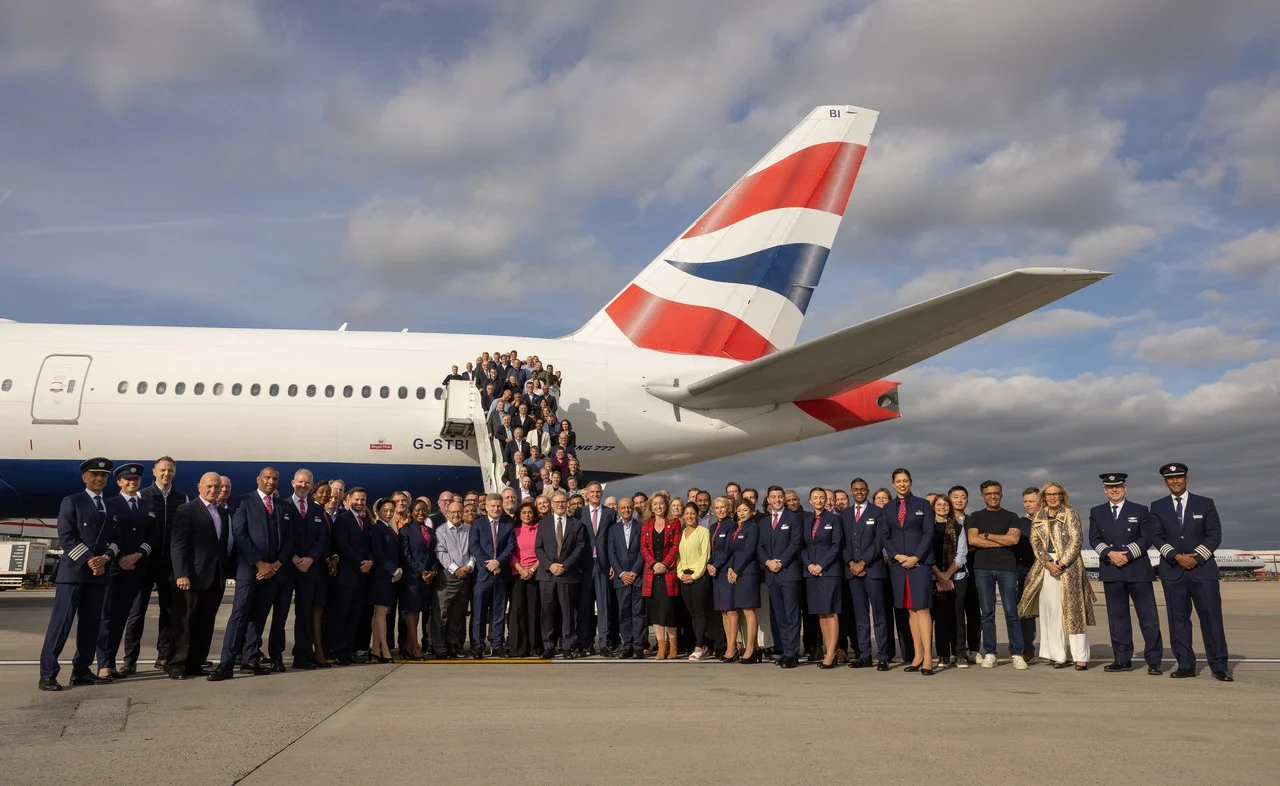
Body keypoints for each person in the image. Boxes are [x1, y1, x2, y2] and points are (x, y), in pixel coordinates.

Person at [39, 458, 119, 691]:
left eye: (103, 476)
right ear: (84, 477)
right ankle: (47, 674)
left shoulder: (112, 506)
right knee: (61, 625)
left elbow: (117, 540)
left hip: (98, 574)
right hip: (73, 572)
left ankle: (82, 670)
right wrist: (90, 560)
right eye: (94, 475)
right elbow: (66, 536)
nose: (99, 479)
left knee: (91, 625)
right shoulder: (72, 502)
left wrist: (105, 558)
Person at [1150, 463, 1231, 681]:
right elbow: (1157, 537)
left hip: (1203, 571)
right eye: (1170, 479)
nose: (1175, 481)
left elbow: (1214, 535)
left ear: (1187, 479)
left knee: (1212, 619)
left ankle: (1219, 666)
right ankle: (1185, 664)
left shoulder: (1205, 504)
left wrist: (1196, 557)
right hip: (1173, 571)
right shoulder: (1157, 506)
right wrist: (1176, 556)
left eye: (1179, 477)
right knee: (1178, 620)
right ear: (1165, 482)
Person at [212, 466, 291, 681]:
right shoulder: (243, 502)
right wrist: (259, 563)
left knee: (259, 617)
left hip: (272, 573)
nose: (271, 481)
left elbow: (288, 539)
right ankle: (226, 663)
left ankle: (250, 659)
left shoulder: (283, 506)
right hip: (249, 571)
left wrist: (276, 564)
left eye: (275, 478)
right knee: (239, 616)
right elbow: (240, 534)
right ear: (258, 479)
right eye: (267, 477)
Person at [1088, 472, 1163, 675]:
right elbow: (1094, 539)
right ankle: (1122, 659)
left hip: (1137, 570)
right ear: (1105, 490)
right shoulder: (1097, 512)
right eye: (1110, 487)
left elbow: (1146, 538)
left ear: (1125, 488)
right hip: (1112, 570)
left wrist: (1128, 555)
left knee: (1148, 618)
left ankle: (1154, 660)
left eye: (1118, 486)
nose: (1114, 490)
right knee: (1118, 619)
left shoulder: (1140, 510)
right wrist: (1110, 554)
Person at [1018, 481, 1095, 670]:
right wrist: (1048, 563)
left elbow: (1076, 541)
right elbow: (1035, 542)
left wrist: (1060, 563)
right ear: (1043, 497)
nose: (1052, 497)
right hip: (1046, 567)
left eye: (1056, 494)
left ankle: (1080, 657)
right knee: (1051, 612)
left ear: (1062, 496)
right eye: (1049, 494)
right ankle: (1057, 655)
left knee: (1074, 613)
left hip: (1069, 567)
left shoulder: (1071, 514)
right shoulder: (1039, 517)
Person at [124, 455, 188, 676]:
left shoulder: (182, 498)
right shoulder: (143, 495)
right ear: (154, 472)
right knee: (136, 612)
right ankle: (130, 659)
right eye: (162, 470)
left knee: (169, 612)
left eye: (170, 470)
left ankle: (164, 656)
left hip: (169, 564)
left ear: (174, 473)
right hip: (144, 562)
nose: (166, 474)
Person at [95, 462, 156, 680]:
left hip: (136, 567)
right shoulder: (111, 504)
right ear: (119, 482)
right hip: (114, 568)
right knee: (107, 617)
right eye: (128, 480)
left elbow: (152, 536)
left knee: (122, 617)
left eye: (136, 480)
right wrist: (120, 558)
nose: (132, 483)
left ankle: (111, 661)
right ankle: (104, 663)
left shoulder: (147, 506)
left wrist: (138, 555)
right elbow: (108, 536)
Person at [169, 472, 229, 681]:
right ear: (199, 487)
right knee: (184, 622)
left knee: (205, 622)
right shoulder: (187, 510)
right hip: (191, 577)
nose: (213, 490)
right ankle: (177, 663)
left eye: (217, 487)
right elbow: (178, 544)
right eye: (209, 486)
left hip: (214, 578)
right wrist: (181, 574)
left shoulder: (221, 513)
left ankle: (195, 663)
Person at [966, 481, 1026, 669]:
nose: (993, 496)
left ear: (1001, 494)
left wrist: (986, 536)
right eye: (989, 493)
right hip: (983, 568)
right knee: (987, 612)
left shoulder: (1011, 516)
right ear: (982, 495)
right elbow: (973, 540)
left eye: (996, 493)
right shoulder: (976, 516)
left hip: (1007, 568)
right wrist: (1001, 540)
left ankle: (1017, 653)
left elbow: (1014, 539)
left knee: (1011, 612)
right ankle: (990, 651)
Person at [881, 468, 935, 675]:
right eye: (898, 481)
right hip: (899, 565)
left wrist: (915, 557)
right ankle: (917, 655)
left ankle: (928, 657)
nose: (902, 484)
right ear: (893, 484)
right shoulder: (887, 508)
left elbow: (928, 533)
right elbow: (884, 536)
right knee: (910, 610)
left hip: (919, 564)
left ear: (910, 482)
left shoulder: (922, 504)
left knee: (922, 609)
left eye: (905, 481)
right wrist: (897, 556)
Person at [842, 478, 889, 671]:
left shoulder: (878, 512)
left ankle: (883, 656)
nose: (859, 492)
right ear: (851, 492)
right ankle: (864, 654)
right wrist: (851, 563)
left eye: (862, 489)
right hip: (853, 572)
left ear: (867, 491)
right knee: (860, 616)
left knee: (879, 615)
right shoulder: (844, 515)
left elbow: (879, 541)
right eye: (856, 490)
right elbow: (841, 543)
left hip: (873, 570)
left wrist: (863, 562)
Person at [535, 491, 585, 658]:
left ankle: (567, 647)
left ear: (567, 503)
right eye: (557, 502)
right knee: (547, 613)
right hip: (547, 575)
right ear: (552, 504)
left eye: (563, 502)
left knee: (568, 613)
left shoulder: (576, 524)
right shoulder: (544, 524)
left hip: (567, 575)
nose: (560, 505)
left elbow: (580, 548)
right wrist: (550, 565)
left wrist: (564, 565)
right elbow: (538, 548)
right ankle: (548, 646)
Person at [757, 485, 802, 668]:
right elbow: (759, 546)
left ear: (783, 499)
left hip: (788, 572)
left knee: (792, 614)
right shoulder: (763, 523)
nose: (776, 500)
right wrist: (768, 562)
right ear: (768, 500)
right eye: (773, 497)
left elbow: (795, 543)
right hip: (772, 575)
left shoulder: (794, 518)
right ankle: (785, 650)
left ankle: (792, 653)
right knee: (779, 615)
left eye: (779, 496)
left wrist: (780, 561)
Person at [330, 488, 373, 665]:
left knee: (355, 615)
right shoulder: (342, 520)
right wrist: (360, 564)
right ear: (348, 499)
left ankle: (348, 649)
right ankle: (339, 651)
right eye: (356, 499)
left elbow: (370, 546)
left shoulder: (365, 522)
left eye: (363, 500)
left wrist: (370, 561)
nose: (360, 502)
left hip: (362, 577)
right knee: (343, 615)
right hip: (347, 576)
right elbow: (343, 545)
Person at [470, 494, 515, 658]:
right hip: (483, 575)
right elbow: (474, 546)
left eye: (498, 506)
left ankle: (497, 645)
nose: (496, 509)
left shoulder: (507, 523)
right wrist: (489, 564)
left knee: (499, 612)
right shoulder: (478, 524)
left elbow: (511, 546)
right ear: (486, 507)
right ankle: (478, 646)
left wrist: (498, 562)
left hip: (501, 574)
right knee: (479, 613)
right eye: (493, 506)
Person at [802, 487, 844, 669]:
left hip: (829, 571)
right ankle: (829, 651)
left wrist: (821, 565)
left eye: (822, 497)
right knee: (821, 612)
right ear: (810, 501)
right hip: (811, 572)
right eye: (815, 498)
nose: (819, 500)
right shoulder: (807, 521)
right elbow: (802, 546)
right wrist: (809, 564)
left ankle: (832, 652)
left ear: (826, 500)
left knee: (831, 611)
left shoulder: (834, 519)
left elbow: (837, 545)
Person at [578, 481, 617, 657]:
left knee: (604, 606)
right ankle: (586, 643)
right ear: (586, 493)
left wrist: (613, 565)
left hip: (603, 564)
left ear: (601, 493)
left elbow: (613, 540)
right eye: (592, 492)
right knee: (585, 606)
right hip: (585, 566)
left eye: (597, 492)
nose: (595, 494)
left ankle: (604, 643)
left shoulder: (610, 514)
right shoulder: (580, 513)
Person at [641, 492, 682, 659]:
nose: (658, 506)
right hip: (651, 573)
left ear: (666, 506)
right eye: (655, 504)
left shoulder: (674, 523)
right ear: (651, 507)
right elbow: (643, 547)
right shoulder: (646, 524)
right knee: (655, 611)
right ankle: (661, 646)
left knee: (668, 610)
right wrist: (653, 564)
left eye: (661, 504)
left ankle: (673, 645)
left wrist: (664, 564)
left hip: (668, 572)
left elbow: (676, 546)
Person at [929, 495, 968, 668]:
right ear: (933, 507)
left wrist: (948, 573)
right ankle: (944, 655)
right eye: (939, 504)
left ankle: (959, 653)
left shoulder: (958, 527)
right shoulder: (928, 527)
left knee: (957, 616)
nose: (942, 507)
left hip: (956, 576)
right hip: (933, 576)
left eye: (946, 504)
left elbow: (962, 554)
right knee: (940, 617)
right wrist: (939, 574)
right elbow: (926, 553)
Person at [399, 498, 438, 660]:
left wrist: (433, 571)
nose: (421, 513)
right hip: (412, 578)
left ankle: (409, 646)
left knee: (421, 611)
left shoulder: (430, 531)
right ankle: (415, 647)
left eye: (424, 510)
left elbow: (434, 553)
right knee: (412, 612)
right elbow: (406, 555)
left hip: (428, 578)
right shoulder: (406, 531)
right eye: (417, 510)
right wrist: (421, 571)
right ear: (411, 512)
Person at [434, 499, 473, 659]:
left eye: (459, 511)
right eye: (453, 512)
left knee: (458, 616)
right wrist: (455, 569)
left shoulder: (469, 530)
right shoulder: (441, 531)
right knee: (442, 615)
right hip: (448, 578)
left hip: (465, 576)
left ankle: (455, 647)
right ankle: (439, 648)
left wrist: (469, 566)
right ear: (447, 514)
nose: (456, 514)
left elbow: (474, 551)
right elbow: (440, 552)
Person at [607, 497, 645, 658]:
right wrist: (622, 573)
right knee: (624, 613)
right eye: (623, 508)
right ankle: (627, 645)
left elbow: (643, 551)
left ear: (633, 509)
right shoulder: (613, 529)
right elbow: (611, 553)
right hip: (621, 578)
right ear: (619, 510)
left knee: (638, 612)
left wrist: (634, 572)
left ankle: (638, 646)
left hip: (637, 577)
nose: (626, 510)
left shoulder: (641, 527)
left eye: (629, 507)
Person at [367, 498, 402, 664]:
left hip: (388, 576)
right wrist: (394, 569)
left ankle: (375, 649)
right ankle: (385, 650)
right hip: (381, 576)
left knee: (379, 614)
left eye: (391, 510)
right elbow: (378, 553)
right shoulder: (377, 528)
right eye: (385, 510)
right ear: (378, 511)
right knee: (381, 614)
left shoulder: (389, 528)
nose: (388, 513)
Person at [726, 500, 761, 663]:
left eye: (745, 510)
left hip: (747, 572)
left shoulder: (752, 527)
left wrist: (737, 570)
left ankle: (751, 649)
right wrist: (731, 569)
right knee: (742, 610)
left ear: (752, 511)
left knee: (749, 610)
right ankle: (753, 647)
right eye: (739, 510)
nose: (741, 513)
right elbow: (734, 551)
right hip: (737, 572)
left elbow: (749, 551)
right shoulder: (739, 527)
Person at [676, 503, 712, 661]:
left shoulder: (703, 532)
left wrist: (695, 575)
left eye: (692, 513)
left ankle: (700, 646)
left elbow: (705, 555)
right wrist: (680, 574)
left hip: (699, 577)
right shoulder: (682, 533)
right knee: (691, 613)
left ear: (697, 515)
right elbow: (678, 558)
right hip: (684, 577)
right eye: (687, 513)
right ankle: (701, 643)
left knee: (699, 612)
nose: (689, 516)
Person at [507, 501, 541, 658]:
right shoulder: (514, 531)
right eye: (524, 513)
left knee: (534, 611)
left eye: (530, 512)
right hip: (518, 574)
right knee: (518, 611)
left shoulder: (540, 529)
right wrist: (521, 569)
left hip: (536, 573)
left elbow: (544, 551)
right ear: (519, 516)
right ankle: (519, 648)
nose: (527, 515)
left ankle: (534, 646)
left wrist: (532, 569)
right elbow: (511, 552)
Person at [1015, 486, 1039, 661]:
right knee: (1026, 612)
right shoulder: (1019, 523)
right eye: (1025, 501)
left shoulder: (1049, 521)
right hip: (1024, 571)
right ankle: (1027, 648)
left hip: (1048, 571)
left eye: (1032, 501)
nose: (1027, 505)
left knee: (1050, 611)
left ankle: (1052, 649)